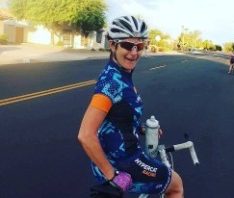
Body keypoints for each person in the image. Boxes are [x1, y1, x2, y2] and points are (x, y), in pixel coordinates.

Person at [78, 15, 183, 198]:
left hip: (114, 159)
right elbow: (85, 135)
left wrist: (141, 128)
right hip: (125, 164)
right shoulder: (111, 83)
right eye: (127, 45)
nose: (133, 52)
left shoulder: (120, 74)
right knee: (176, 186)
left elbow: (115, 117)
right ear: (112, 45)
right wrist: (113, 176)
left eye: (139, 46)